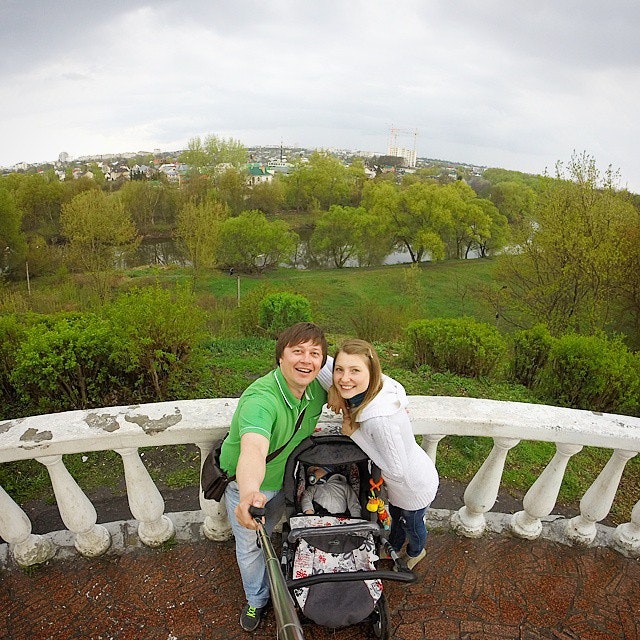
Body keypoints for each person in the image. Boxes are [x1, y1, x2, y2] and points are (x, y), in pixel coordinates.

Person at [219, 322, 335, 632]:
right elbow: (254, 448)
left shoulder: (316, 389)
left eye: (314, 353)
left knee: (272, 532)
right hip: (249, 487)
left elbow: (363, 375)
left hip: (285, 481)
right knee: (250, 547)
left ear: (323, 362)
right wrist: (249, 494)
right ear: (280, 356)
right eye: (297, 351)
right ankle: (256, 600)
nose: (306, 360)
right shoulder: (261, 399)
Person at [328, 338, 439, 571]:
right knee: (397, 517)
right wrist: (333, 389)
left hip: (413, 486)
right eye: (339, 370)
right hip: (407, 481)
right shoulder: (378, 388)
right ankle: (393, 546)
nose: (344, 378)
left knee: (412, 525)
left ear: (371, 371)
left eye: (355, 371)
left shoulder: (379, 420)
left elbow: (396, 470)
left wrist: (354, 434)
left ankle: (416, 552)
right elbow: (322, 367)